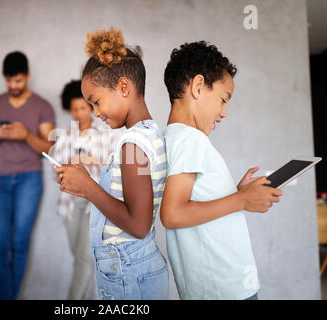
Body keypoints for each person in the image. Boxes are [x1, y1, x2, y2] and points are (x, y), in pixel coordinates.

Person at [160, 41, 283, 300]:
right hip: (225, 289)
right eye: (223, 99)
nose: (224, 113)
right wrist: (242, 200)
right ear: (198, 86)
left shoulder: (175, 137)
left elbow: (193, 202)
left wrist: (235, 193)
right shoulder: (190, 139)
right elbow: (172, 214)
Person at [54, 27, 169, 300]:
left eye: (96, 102)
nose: (95, 113)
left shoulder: (133, 144)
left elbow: (139, 225)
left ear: (123, 87)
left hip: (128, 273)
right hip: (130, 269)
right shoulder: (146, 134)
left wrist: (87, 188)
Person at [0, 51, 55, 300]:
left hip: (29, 180)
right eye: (9, 81)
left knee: (19, 243)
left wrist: (25, 135)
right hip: (0, 180)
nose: (13, 86)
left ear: (28, 77)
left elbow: (50, 149)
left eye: (18, 81)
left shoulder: (42, 106)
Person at [51, 79, 116, 300]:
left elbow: (115, 167)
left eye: (83, 108)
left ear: (90, 107)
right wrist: (65, 167)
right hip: (69, 203)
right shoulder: (65, 136)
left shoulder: (104, 134)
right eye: (74, 109)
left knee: (85, 258)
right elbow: (56, 173)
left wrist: (93, 159)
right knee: (80, 258)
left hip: (94, 202)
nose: (79, 113)